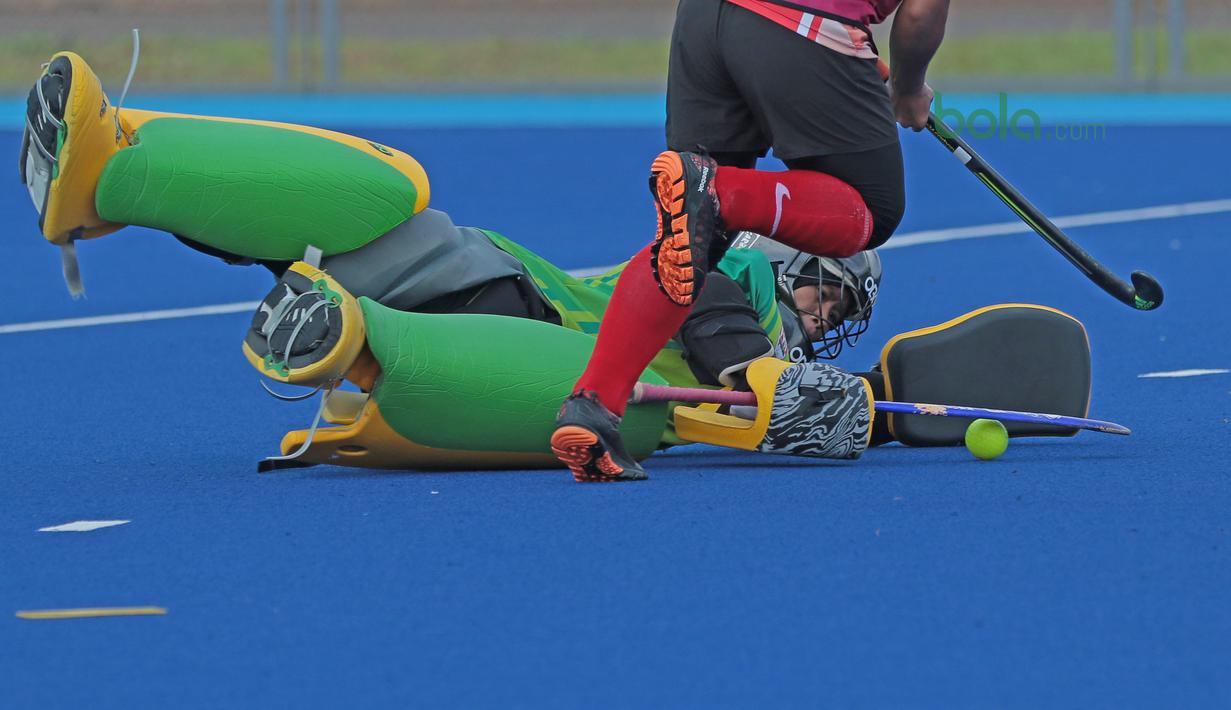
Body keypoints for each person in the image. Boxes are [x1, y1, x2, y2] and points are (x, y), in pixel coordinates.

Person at [552, 0, 950, 481]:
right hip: (800, 19)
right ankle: (719, 191)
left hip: (702, 19)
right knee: (873, 206)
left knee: (694, 239)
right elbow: (920, 14)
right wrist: (907, 88)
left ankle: (594, 406)